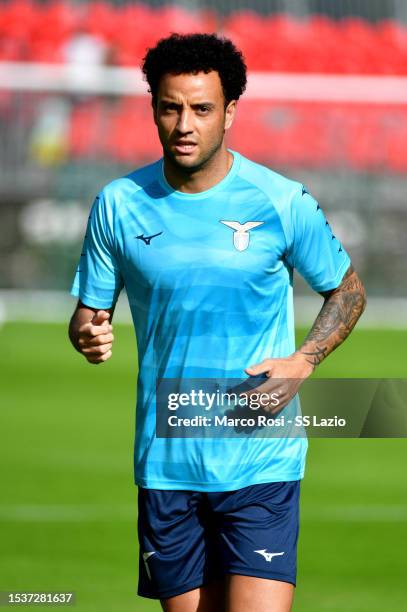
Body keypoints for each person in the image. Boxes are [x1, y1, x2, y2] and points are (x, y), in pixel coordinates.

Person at [68, 33, 366, 612]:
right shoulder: (118, 204)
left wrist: (305, 360)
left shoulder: (281, 200)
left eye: (202, 108)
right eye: (171, 106)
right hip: (166, 462)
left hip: (261, 457)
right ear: (153, 106)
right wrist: (86, 331)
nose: (185, 123)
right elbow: (89, 314)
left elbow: (347, 291)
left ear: (229, 112)